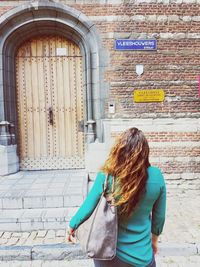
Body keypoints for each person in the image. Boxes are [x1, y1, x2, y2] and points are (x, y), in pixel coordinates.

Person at [67, 127, 166, 267]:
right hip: (142, 256)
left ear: (119, 150)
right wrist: (154, 242)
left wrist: (72, 225)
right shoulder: (157, 176)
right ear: (145, 152)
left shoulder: (107, 175)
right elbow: (159, 218)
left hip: (108, 254)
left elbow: (88, 205)